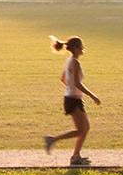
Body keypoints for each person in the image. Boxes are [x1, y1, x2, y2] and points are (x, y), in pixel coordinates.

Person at [43, 35, 101, 166]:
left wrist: (71, 89)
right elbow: (77, 83)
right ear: (75, 48)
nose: (82, 48)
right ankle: (53, 140)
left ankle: (76, 156)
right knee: (82, 129)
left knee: (84, 128)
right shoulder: (75, 62)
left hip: (71, 98)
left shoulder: (69, 60)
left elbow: (63, 79)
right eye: (81, 46)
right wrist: (93, 96)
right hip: (73, 99)